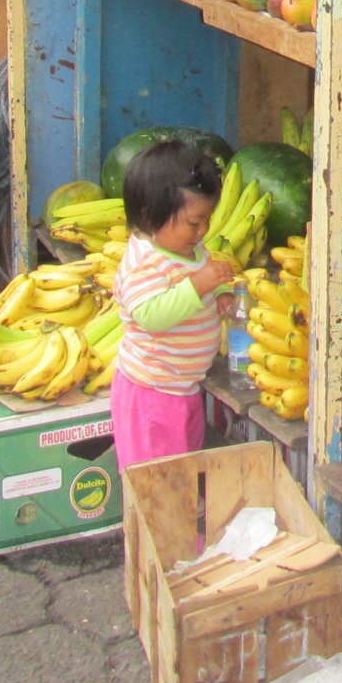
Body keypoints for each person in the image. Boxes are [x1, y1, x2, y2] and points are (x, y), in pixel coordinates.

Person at [110, 140, 236, 469]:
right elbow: (151, 315)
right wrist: (198, 286)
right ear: (152, 217)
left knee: (182, 467)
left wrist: (219, 290)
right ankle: (162, 520)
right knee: (158, 479)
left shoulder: (189, 250)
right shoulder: (145, 263)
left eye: (207, 219)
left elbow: (199, 273)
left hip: (182, 388)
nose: (203, 230)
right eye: (194, 223)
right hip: (152, 393)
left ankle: (181, 512)